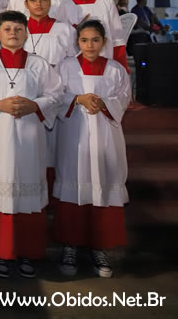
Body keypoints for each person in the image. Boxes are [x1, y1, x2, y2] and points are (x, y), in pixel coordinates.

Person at [0, 11, 63, 279]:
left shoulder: (40, 65)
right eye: (7, 29)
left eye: (19, 29)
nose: (13, 33)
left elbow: (55, 95)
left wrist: (34, 105)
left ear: (26, 33)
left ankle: (27, 252)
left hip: (29, 139)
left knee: (26, 192)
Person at [54, 20, 130, 279]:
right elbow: (55, 95)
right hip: (74, 137)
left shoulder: (116, 70)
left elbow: (123, 96)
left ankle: (100, 247)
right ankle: (70, 246)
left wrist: (104, 104)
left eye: (95, 40)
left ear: (104, 42)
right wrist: (77, 99)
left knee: (103, 184)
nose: (90, 45)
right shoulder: (66, 67)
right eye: (85, 40)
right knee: (74, 185)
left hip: (105, 136)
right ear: (77, 42)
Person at [22, 0, 77, 197]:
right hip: (27, 93)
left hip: (54, 93)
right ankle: (30, 192)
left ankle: (53, 194)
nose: (38, 3)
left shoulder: (64, 29)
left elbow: (72, 62)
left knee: (53, 149)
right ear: (26, 4)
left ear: (50, 2)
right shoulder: (19, 27)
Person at [59, 0, 128, 70]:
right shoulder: (65, 5)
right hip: (74, 66)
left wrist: (122, 66)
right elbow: (62, 38)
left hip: (105, 63)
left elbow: (117, 39)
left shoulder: (106, 3)